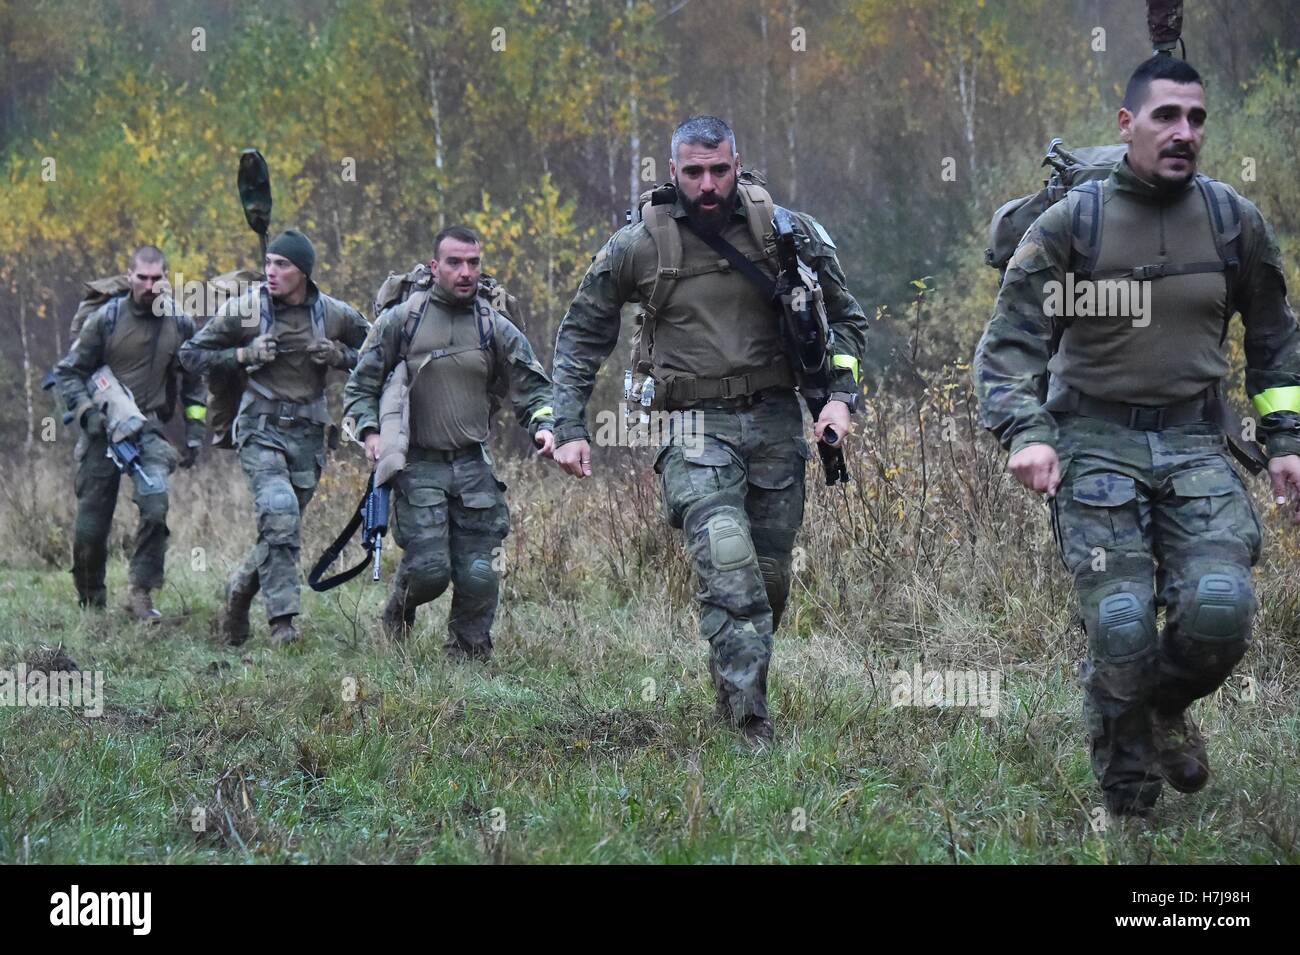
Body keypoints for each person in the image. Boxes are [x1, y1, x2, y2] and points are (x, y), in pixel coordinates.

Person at [974, 55, 1300, 816]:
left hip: (1197, 446)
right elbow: (1009, 341)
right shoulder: (1074, 224)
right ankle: (1127, 806)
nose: (1184, 133)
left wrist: (1285, 439)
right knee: (1120, 624)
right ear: (1127, 125)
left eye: (1196, 119)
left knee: (1220, 608)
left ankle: (1161, 706)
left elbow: (1277, 339)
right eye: (1166, 117)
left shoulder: (1231, 220)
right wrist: (1026, 430)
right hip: (1093, 445)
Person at [550, 116, 869, 743]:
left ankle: (734, 689)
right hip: (693, 427)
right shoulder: (639, 244)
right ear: (672, 171)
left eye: (718, 170)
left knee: (769, 582)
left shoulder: (787, 233)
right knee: (727, 558)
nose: (706, 184)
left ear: (737, 164)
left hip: (776, 422)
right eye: (692, 172)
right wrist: (568, 425)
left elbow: (847, 321)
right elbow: (582, 334)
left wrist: (839, 401)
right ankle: (752, 725)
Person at [343, 226, 555, 659]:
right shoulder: (401, 321)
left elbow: (534, 387)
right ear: (435, 266)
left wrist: (544, 425)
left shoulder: (492, 325)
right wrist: (370, 432)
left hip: (472, 463)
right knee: (429, 571)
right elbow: (359, 387)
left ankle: (467, 654)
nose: (465, 272)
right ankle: (398, 608)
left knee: (479, 571)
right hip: (418, 464)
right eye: (455, 263)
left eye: (473, 263)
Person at [179, 229, 370, 647]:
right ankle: (283, 623)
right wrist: (241, 356)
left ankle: (240, 589)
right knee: (280, 511)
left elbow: (378, 352)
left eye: (281, 265)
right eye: (268, 263)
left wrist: (340, 357)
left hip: (309, 433)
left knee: (280, 527)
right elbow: (190, 354)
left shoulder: (333, 314)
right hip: (259, 428)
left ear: (303, 271)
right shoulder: (246, 311)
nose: (271, 271)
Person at [54, 245, 206, 619]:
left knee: (155, 508)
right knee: (91, 528)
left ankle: (141, 593)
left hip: (148, 429)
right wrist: (88, 414)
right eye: (143, 277)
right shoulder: (106, 319)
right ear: (129, 276)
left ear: (166, 279)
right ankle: (91, 601)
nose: (150, 285)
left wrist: (195, 431)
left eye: (157, 278)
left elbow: (194, 382)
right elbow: (67, 374)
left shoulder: (180, 323)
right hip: (102, 430)